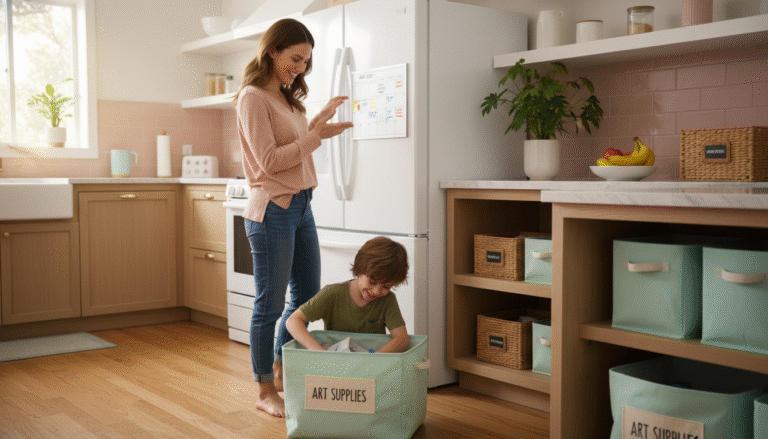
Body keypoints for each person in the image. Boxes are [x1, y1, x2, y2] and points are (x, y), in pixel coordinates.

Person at [235, 18, 353, 418]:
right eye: (295, 58)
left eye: (306, 62)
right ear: (273, 51)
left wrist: (317, 123)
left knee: (306, 297)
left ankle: (284, 368)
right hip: (272, 209)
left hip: (302, 206)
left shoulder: (288, 99)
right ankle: (264, 389)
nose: (300, 68)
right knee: (269, 305)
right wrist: (314, 137)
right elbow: (269, 162)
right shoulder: (252, 97)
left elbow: (296, 148)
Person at [286, 236, 411, 355]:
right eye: (372, 282)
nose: (377, 291)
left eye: (386, 287)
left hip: (370, 368)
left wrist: (374, 358)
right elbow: (293, 321)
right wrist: (318, 351)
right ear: (358, 270)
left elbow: (402, 339)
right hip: (336, 365)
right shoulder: (332, 293)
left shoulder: (387, 300)